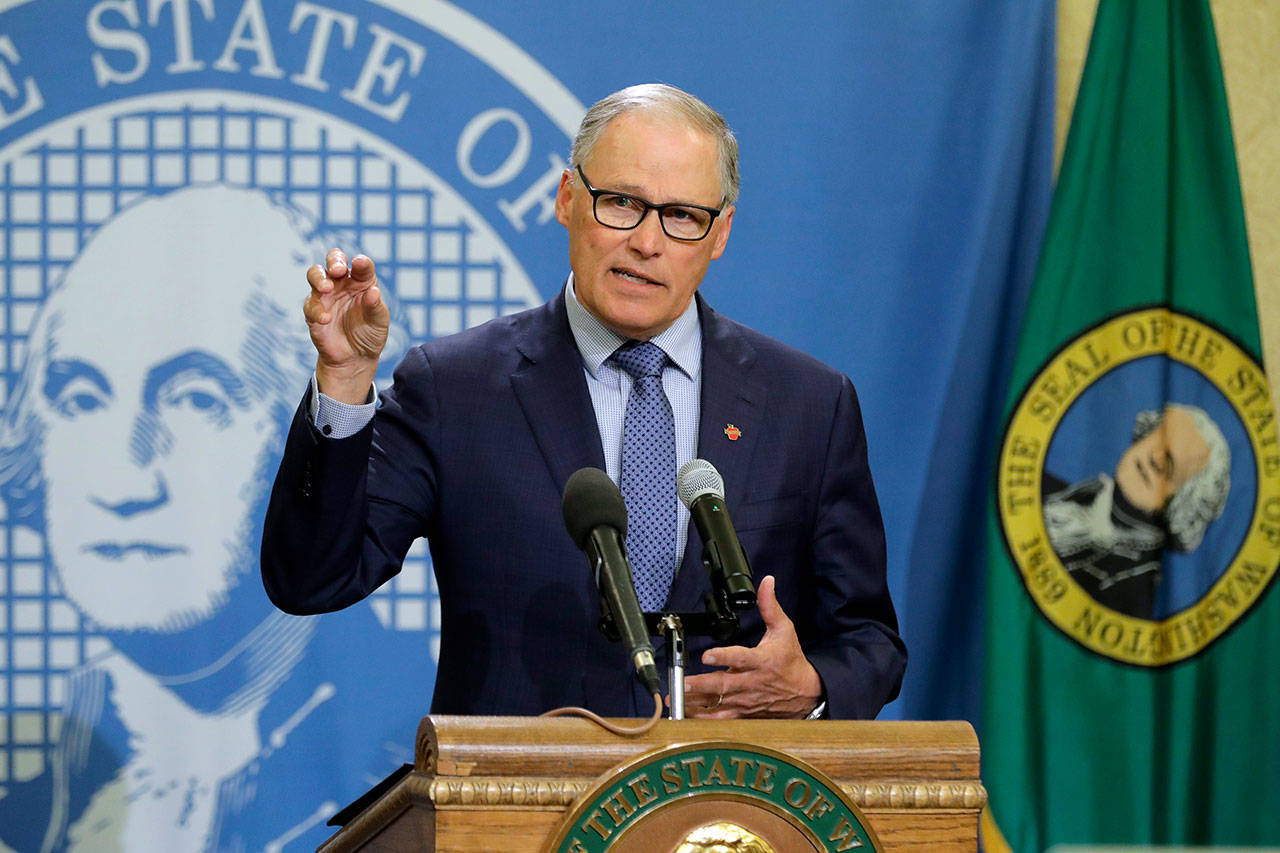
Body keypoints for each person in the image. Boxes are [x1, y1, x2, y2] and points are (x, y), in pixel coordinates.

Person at [262, 83, 906, 720]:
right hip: (517, 806)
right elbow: (313, 579)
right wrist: (344, 381)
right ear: (568, 198)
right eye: (621, 203)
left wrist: (811, 685)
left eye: (682, 216)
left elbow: (870, 642)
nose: (648, 243)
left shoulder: (808, 405)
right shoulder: (454, 387)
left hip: (726, 809)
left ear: (720, 233)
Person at [0, 185, 425, 852]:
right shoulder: (32, 781)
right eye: (81, 397)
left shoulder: (414, 766)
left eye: (195, 398)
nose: (123, 477)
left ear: (305, 430)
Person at [1043, 403, 1231, 618]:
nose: (1155, 459)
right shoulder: (1042, 491)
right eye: (1159, 439)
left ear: (1185, 503)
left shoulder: (1128, 597)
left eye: (1172, 464)